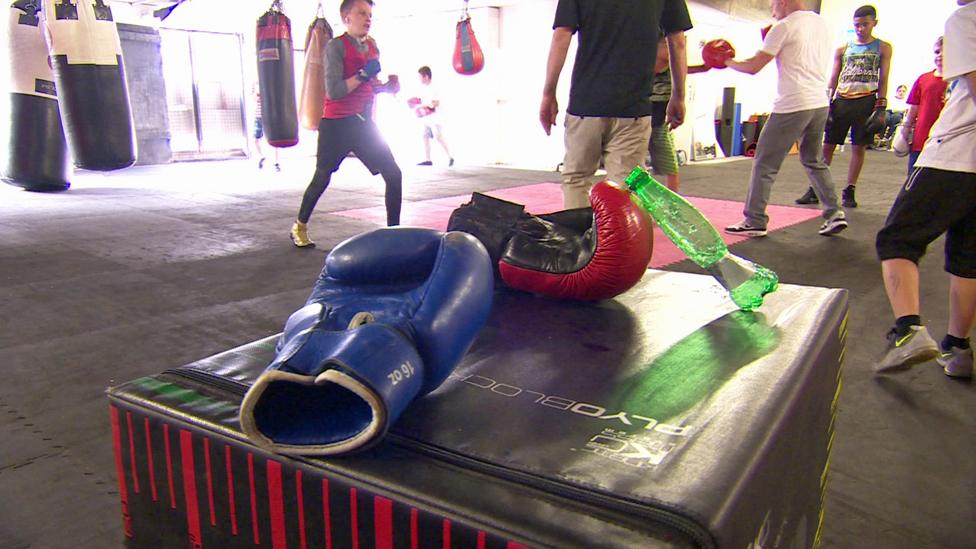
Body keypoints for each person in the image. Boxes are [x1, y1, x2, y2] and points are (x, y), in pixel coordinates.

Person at [875, 0, 976, 378]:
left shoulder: (967, 18)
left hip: (954, 156)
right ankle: (958, 348)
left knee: (897, 240)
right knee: (968, 257)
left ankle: (908, 332)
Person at [539, 0, 692, 209]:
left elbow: (561, 36)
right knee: (626, 186)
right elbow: (678, 42)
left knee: (576, 180)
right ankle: (620, 242)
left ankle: (580, 239)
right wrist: (678, 96)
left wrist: (549, 94)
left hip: (586, 104)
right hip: (633, 107)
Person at [723, 0, 848, 238]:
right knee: (813, 160)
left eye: (773, 4)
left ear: (783, 1)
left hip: (792, 104)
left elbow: (753, 67)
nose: (772, 9)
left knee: (764, 163)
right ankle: (835, 213)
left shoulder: (784, 26)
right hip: (819, 103)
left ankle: (755, 220)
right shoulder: (821, 23)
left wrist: (726, 61)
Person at [290, 0, 401, 248]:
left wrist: (386, 87)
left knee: (394, 174)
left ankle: (395, 234)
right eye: (362, 13)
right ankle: (299, 224)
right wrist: (363, 74)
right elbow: (336, 91)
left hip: (363, 124)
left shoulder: (372, 46)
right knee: (322, 177)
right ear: (346, 17)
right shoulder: (335, 46)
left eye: (370, 14)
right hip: (337, 124)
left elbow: (369, 85)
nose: (368, 18)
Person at [796, 4, 893, 208]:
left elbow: (884, 77)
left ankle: (850, 190)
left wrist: (881, 105)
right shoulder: (843, 48)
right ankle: (815, 188)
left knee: (858, 147)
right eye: (857, 25)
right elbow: (833, 77)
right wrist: (826, 101)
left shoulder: (883, 47)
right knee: (828, 145)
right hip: (842, 100)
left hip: (866, 100)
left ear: (874, 23)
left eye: (865, 24)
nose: (861, 29)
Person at [647, 33, 709, 192]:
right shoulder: (648, 64)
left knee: (671, 167)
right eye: (669, 46)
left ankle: (673, 204)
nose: (677, 51)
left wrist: (703, 67)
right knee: (632, 166)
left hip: (660, 122)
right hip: (641, 120)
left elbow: (680, 67)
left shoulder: (671, 65)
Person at [899, 37, 948, 173]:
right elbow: (914, 107)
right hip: (921, 140)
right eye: (937, 52)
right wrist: (906, 127)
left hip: (945, 141)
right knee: (914, 180)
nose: (940, 55)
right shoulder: (923, 79)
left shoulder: (959, 81)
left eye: (946, 52)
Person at [411, 66, 454, 167]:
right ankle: (428, 160)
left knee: (438, 137)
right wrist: (417, 104)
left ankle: (450, 157)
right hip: (427, 118)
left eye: (420, 77)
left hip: (436, 117)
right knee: (424, 136)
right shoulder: (423, 89)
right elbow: (422, 102)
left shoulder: (435, 87)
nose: (419, 79)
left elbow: (435, 103)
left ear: (426, 76)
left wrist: (425, 107)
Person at [252, 84, 280, 171]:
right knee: (255, 140)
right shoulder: (256, 87)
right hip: (259, 118)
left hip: (269, 118)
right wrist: (258, 92)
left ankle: (276, 163)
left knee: (273, 141)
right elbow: (255, 98)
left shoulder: (269, 86)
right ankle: (261, 157)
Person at [878, 83, 908, 148]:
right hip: (889, 111)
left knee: (896, 117)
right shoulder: (891, 98)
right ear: (897, 92)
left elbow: (905, 110)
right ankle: (881, 136)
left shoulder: (906, 101)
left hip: (898, 113)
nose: (901, 93)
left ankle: (887, 137)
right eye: (900, 91)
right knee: (886, 117)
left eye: (903, 91)